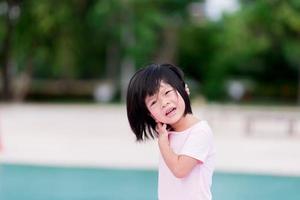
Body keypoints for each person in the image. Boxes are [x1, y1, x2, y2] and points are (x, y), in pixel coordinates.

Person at [126, 63, 216, 200]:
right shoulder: (167, 134)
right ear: (150, 114)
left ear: (184, 90)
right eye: (153, 102)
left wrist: (163, 144)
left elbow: (180, 170)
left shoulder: (200, 131)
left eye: (167, 92)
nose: (164, 103)